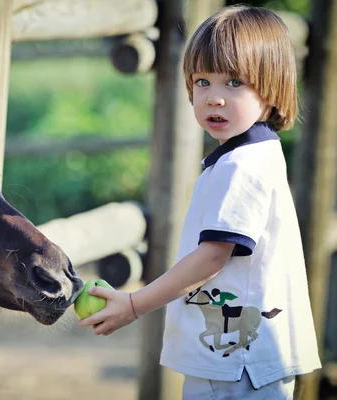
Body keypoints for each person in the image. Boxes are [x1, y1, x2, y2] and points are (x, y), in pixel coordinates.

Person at [79, 5, 322, 398]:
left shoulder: (241, 166)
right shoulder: (254, 154)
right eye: (202, 82)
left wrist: (134, 303)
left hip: (235, 363)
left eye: (234, 82)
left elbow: (213, 256)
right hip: (245, 357)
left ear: (273, 87)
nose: (214, 98)